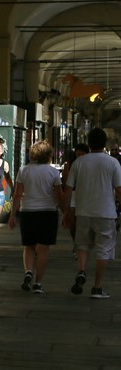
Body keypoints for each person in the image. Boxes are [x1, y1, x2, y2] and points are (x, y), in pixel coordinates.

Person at [62, 127, 121, 299]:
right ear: (105, 144)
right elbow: (119, 190)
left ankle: (81, 271)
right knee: (103, 250)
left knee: (82, 245)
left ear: (89, 143)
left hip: (83, 212)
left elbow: (68, 189)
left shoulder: (79, 163)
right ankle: (97, 287)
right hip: (106, 213)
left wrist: (66, 211)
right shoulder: (113, 163)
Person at [7, 141, 65, 294]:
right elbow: (59, 195)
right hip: (48, 212)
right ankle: (38, 283)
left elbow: (18, 194)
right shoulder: (53, 172)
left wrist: (13, 215)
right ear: (48, 154)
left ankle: (28, 272)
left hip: (28, 212)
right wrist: (66, 213)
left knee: (29, 246)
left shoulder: (23, 170)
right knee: (43, 249)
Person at [61, 143, 89, 254]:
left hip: (85, 194)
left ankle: (80, 245)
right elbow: (66, 181)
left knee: (81, 222)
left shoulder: (89, 164)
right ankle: (76, 243)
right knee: (72, 222)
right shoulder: (71, 164)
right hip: (73, 193)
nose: (80, 155)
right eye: (78, 154)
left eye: (83, 153)